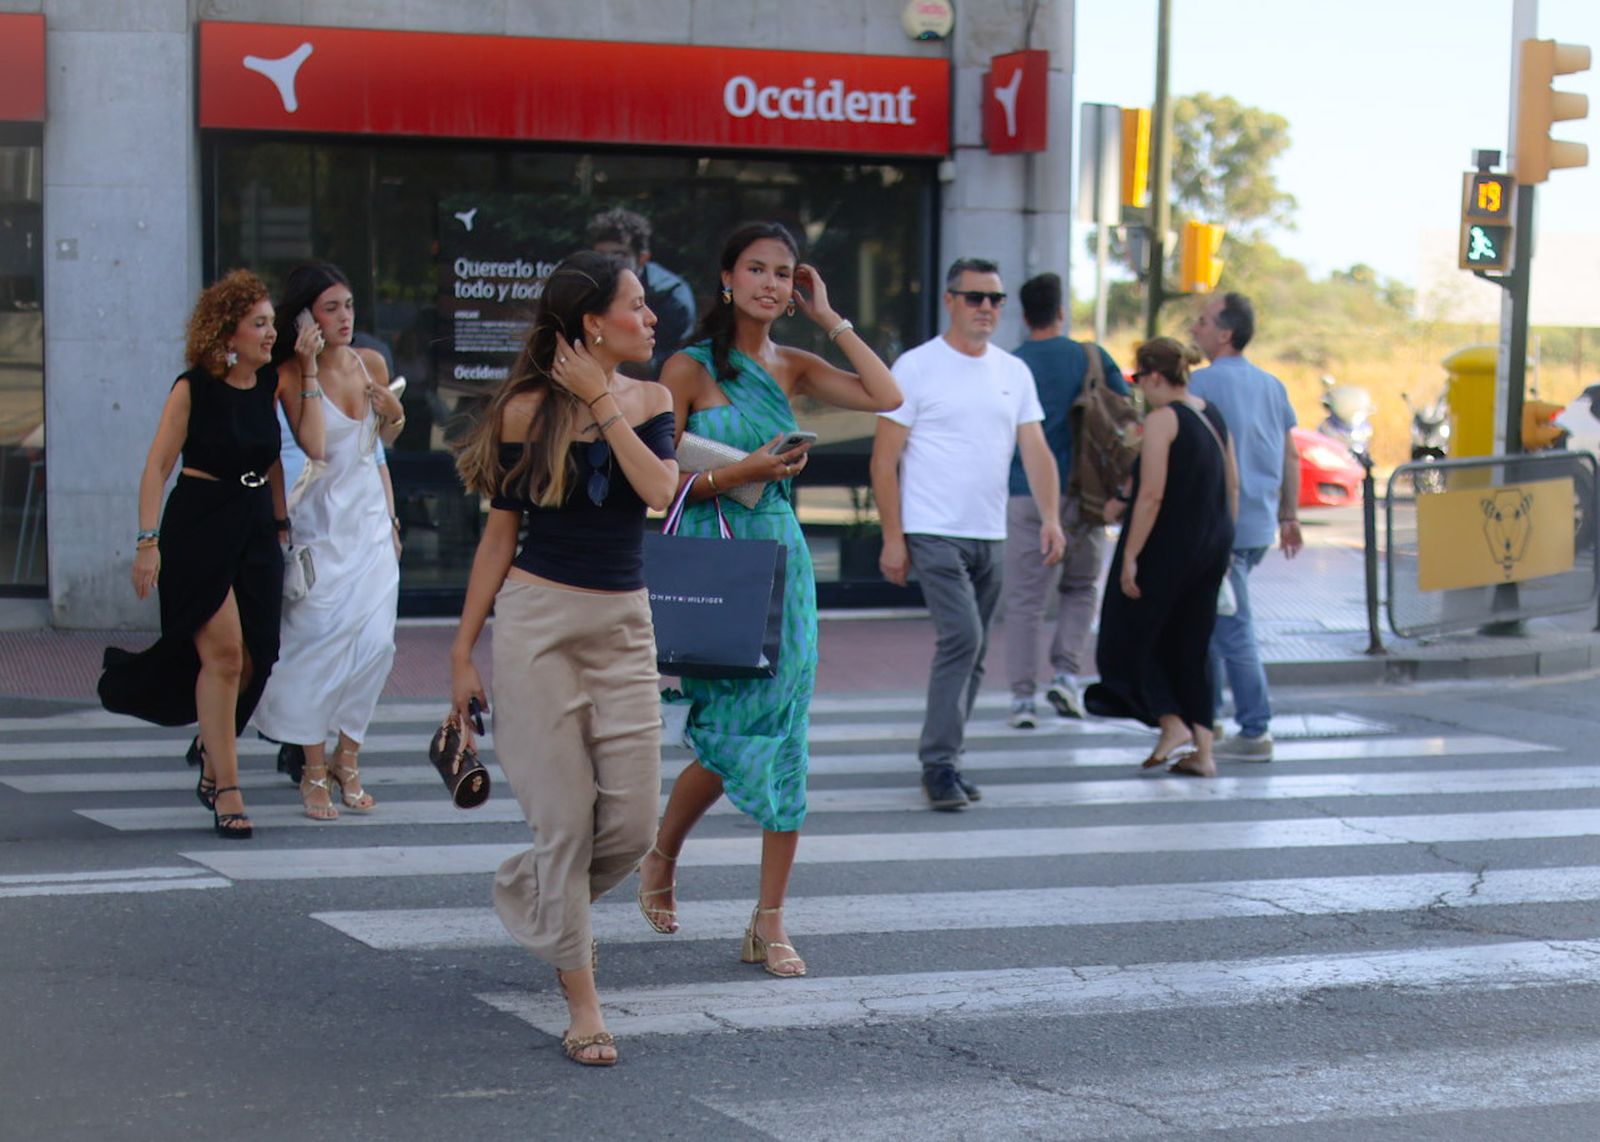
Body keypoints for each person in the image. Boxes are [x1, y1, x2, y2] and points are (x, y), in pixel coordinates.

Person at [639, 222, 901, 976]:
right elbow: (655, 482)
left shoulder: (794, 363)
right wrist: (742, 469)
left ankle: (770, 920)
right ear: (727, 277)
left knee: (785, 730)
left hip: (783, 559)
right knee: (727, 727)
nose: (771, 284)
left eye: (784, 274)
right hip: (720, 557)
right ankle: (662, 853)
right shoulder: (687, 369)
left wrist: (832, 320)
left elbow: (887, 394)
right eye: (756, 269)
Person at [450, 250, 678, 1066]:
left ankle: (535, 887)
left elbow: (657, 493)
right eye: (638, 305)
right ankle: (584, 1004)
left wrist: (600, 405)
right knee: (563, 824)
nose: (651, 318)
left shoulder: (651, 400)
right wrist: (460, 653)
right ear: (593, 322)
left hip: (622, 626)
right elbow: (498, 538)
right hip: (536, 622)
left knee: (630, 823)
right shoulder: (522, 411)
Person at [98, 269, 326, 838]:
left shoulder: (273, 381)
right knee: (223, 654)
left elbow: (298, 452)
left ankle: (211, 739)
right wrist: (147, 542)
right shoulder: (193, 387)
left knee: (260, 656)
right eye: (259, 324)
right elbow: (156, 467)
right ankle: (226, 787)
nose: (270, 333)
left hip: (253, 527)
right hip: (198, 522)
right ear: (228, 331)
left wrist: (278, 523)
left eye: (273, 322)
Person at [870, 257, 1067, 811]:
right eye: (975, 297)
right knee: (964, 639)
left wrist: (1051, 517)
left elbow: (1036, 450)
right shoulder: (915, 367)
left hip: (990, 531)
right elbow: (885, 462)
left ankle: (949, 759)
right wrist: (893, 537)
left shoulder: (1013, 372)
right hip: (932, 530)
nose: (987, 308)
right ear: (950, 301)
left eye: (996, 300)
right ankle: (938, 765)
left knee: (973, 653)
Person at [250, 262, 407, 820]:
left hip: (369, 522)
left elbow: (380, 445)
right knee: (316, 645)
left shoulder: (372, 363)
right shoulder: (291, 376)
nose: (345, 318)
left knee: (376, 648)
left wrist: (397, 414)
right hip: (320, 525)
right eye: (330, 309)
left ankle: (349, 759)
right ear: (306, 320)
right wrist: (312, 366)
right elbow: (315, 445)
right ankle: (313, 770)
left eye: (349, 306)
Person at [1085, 337, 1238, 777]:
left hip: (1169, 545)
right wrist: (1225, 542)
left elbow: (1150, 496)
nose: (1140, 390)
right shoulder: (1212, 414)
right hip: (1212, 542)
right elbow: (1232, 485)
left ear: (1154, 377)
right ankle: (1203, 752)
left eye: (1139, 380)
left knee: (1129, 635)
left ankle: (1171, 723)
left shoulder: (1162, 420)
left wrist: (1130, 555)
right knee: (1192, 645)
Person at [1001, 272, 1130, 729]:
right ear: (1060, 312)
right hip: (1085, 493)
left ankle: (1021, 699)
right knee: (1080, 589)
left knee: (1025, 602)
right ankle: (1065, 674)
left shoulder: (1009, 364)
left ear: (1022, 314)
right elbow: (1125, 419)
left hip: (1025, 493)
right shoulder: (1090, 357)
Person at [1187, 292, 1300, 761]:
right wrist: (1288, 515)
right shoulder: (1272, 386)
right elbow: (1289, 454)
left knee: (1233, 629)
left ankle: (1254, 730)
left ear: (1225, 333)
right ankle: (1209, 717)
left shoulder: (1201, 385)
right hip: (1256, 528)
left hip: (1218, 527)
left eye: (1203, 322)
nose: (1195, 328)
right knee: (1211, 619)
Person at [588, 207, 697, 377]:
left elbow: (677, 363)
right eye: (601, 255)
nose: (609, 263)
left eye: (618, 255)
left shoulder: (672, 297)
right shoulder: (590, 287)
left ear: (642, 258)